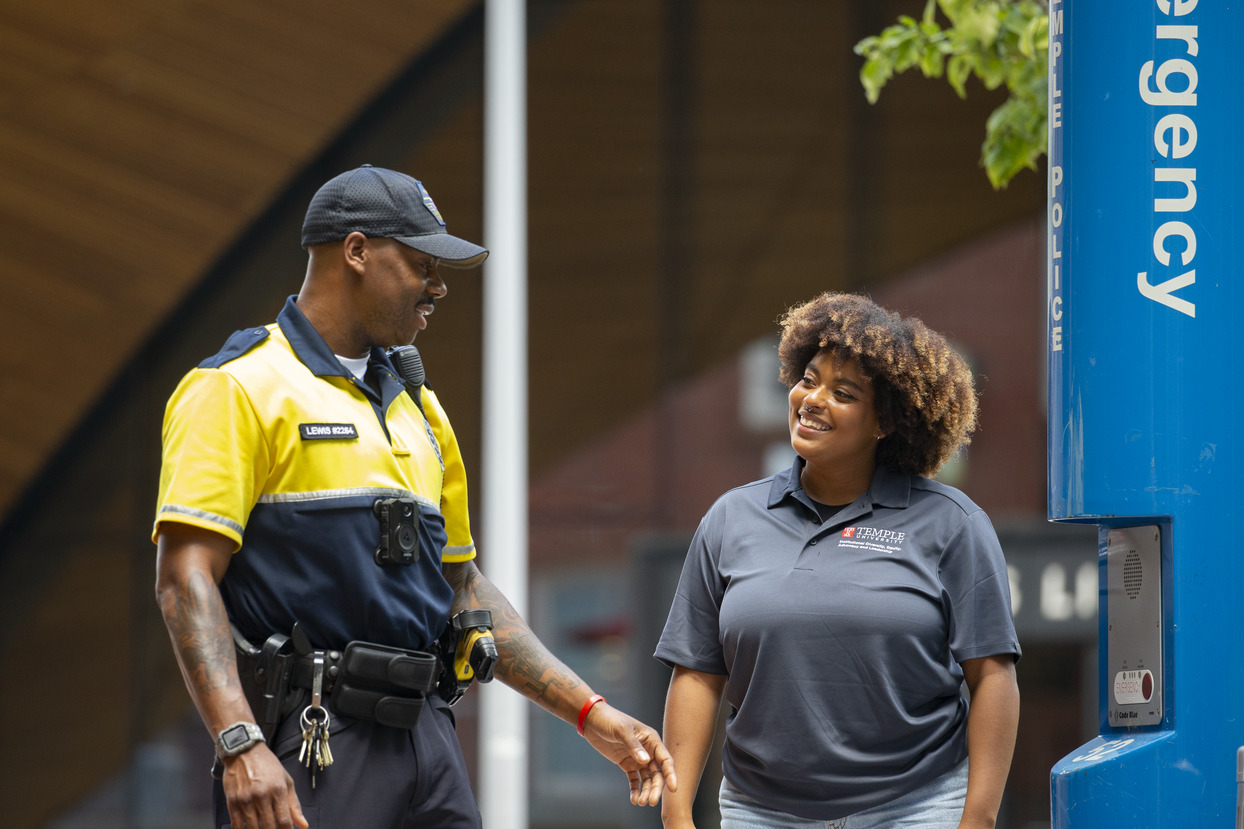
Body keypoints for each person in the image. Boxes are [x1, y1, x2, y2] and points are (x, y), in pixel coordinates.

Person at [154, 164, 676, 829]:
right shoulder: (236, 388)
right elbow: (184, 578)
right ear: (356, 250)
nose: (438, 287)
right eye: (422, 265)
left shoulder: (422, 410)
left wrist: (589, 711)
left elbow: (463, 587)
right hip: (314, 742)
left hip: (429, 740)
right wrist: (238, 741)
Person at [655, 292, 1020, 829]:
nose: (813, 399)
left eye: (843, 393)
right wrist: (676, 814)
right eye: (809, 379)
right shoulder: (731, 518)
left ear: (885, 422)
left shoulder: (952, 524)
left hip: (914, 808)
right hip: (761, 812)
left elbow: (992, 675)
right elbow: (697, 672)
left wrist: (977, 820)